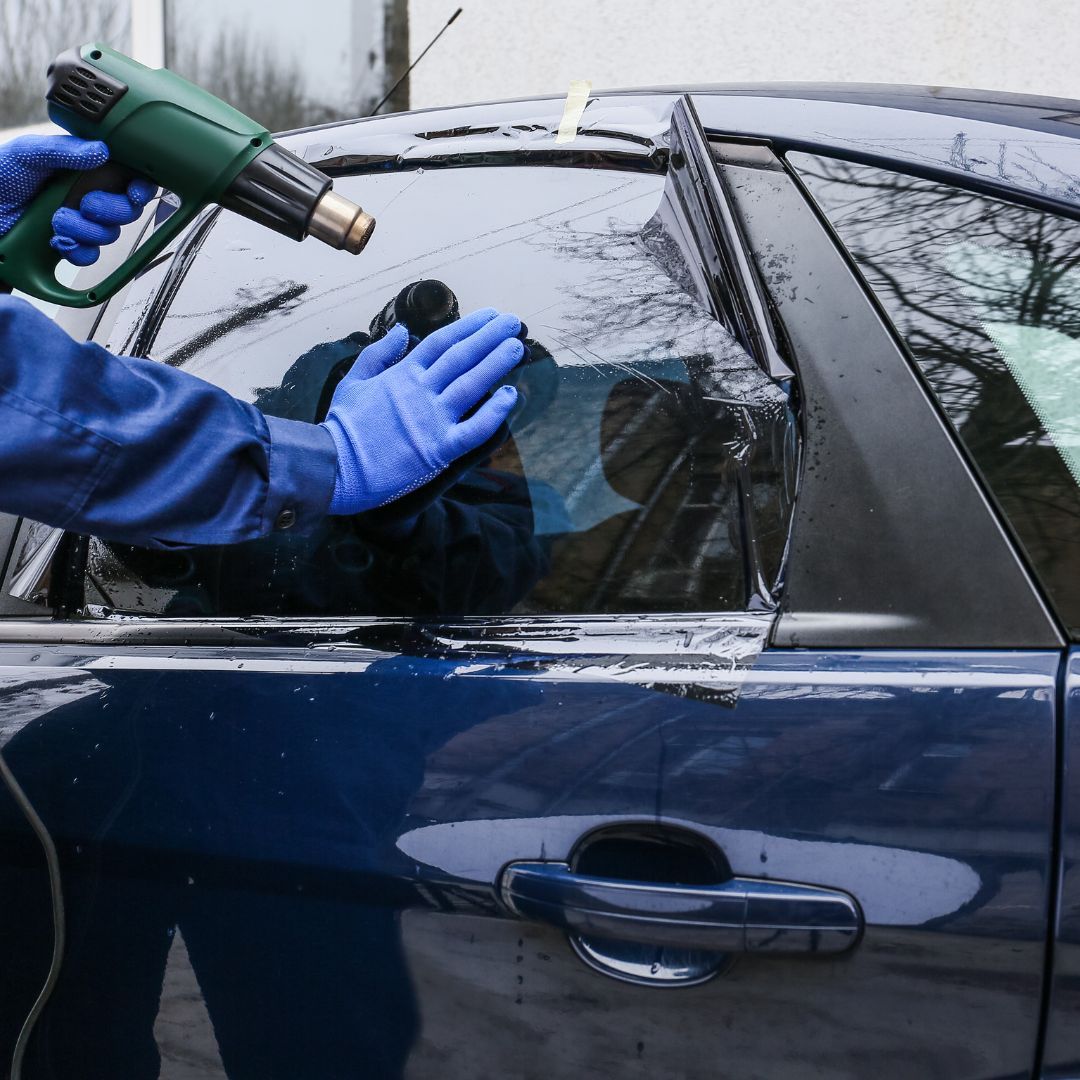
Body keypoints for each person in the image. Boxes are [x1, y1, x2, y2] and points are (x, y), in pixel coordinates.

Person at [0, 134, 523, 549]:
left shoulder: (512, 507)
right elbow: (27, 407)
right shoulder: (274, 406)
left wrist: (397, 514)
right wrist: (324, 458)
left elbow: (503, 559)